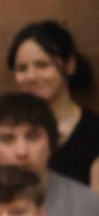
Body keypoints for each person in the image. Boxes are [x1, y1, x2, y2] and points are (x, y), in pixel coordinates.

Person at [9, 20, 99, 190]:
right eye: (22, 68)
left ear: (70, 66)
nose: (31, 76)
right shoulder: (4, 133)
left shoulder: (94, 133)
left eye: (42, 65)